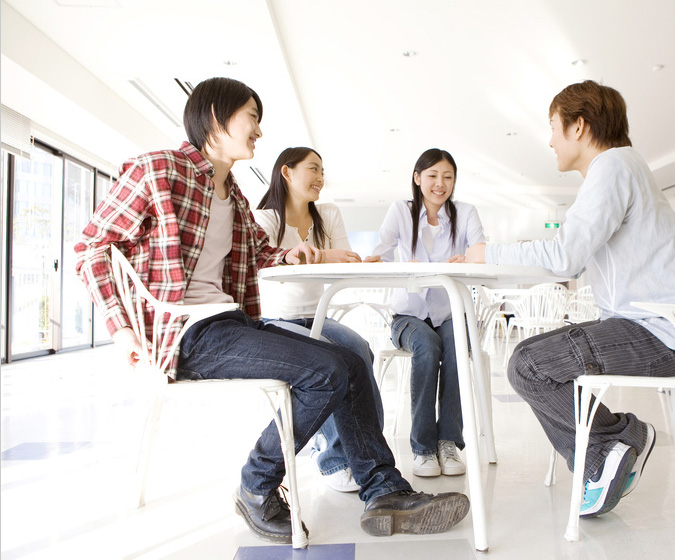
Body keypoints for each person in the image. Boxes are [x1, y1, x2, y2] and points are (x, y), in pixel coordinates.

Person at [74, 77, 469, 544]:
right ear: (217, 117)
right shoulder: (158, 170)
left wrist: (292, 254)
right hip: (184, 333)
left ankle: (384, 490)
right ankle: (256, 485)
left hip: (229, 323)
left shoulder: (234, 195)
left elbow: (261, 253)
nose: (259, 131)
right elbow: (91, 248)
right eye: (252, 118)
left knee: (350, 361)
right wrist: (122, 331)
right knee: (326, 371)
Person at [466, 80, 675, 518]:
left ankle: (615, 445)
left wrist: (488, 253)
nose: (550, 140)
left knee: (528, 364)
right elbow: (572, 262)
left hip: (661, 334)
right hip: (656, 327)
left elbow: (564, 257)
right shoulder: (621, 167)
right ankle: (607, 455)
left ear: (578, 126)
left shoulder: (612, 166)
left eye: (553, 126)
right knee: (526, 360)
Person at [253, 146, 384, 494]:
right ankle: (333, 459)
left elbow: (343, 261)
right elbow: (264, 261)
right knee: (329, 361)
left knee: (360, 349)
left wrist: (359, 264)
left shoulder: (328, 214)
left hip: (317, 315)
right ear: (286, 172)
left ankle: (367, 450)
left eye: (322, 171)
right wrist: (326, 256)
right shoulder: (266, 218)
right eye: (313, 169)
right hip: (276, 319)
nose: (320, 178)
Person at [366, 148, 485, 478]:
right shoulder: (400, 211)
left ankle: (448, 442)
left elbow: (481, 251)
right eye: (432, 175)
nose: (440, 183)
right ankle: (422, 448)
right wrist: (397, 265)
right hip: (408, 317)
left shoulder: (466, 213)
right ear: (417, 178)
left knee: (457, 345)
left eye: (448, 177)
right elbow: (381, 254)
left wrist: (471, 258)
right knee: (428, 346)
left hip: (449, 313)